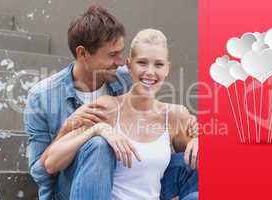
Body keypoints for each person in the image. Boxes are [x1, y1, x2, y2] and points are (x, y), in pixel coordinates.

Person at [24, 5, 198, 200]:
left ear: (167, 68)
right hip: (73, 185)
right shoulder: (45, 96)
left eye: (158, 65)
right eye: (112, 55)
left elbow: (150, 94)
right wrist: (87, 129)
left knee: (192, 161)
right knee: (99, 145)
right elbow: (43, 170)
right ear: (83, 54)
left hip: (137, 181)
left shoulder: (124, 77)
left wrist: (197, 137)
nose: (121, 62)